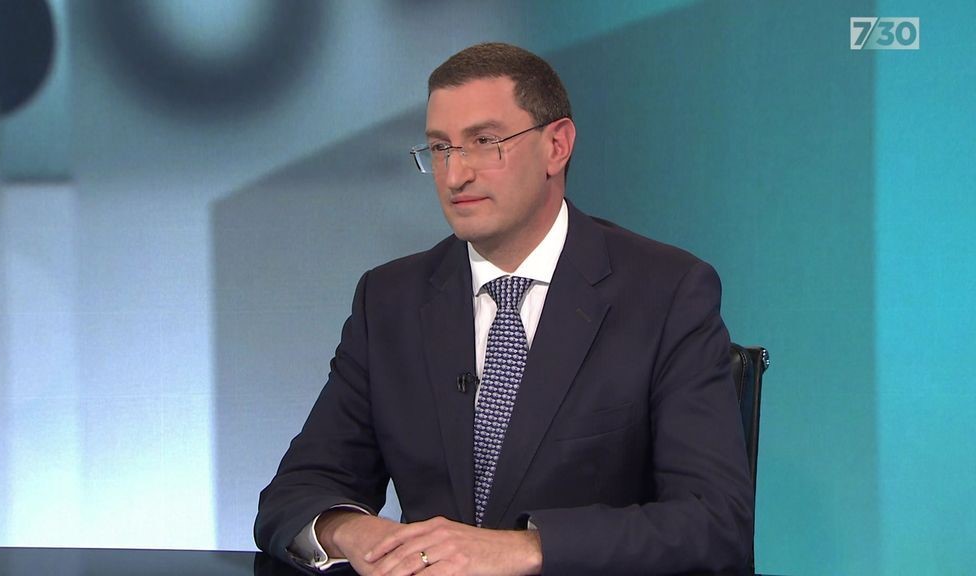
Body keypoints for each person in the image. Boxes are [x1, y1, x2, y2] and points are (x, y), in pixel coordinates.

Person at [255, 42, 753, 575]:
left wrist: (526, 549)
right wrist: (365, 535)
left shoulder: (667, 292)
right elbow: (294, 495)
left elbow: (713, 522)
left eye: (484, 142)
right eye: (440, 148)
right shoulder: (389, 300)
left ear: (556, 146)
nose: (454, 175)